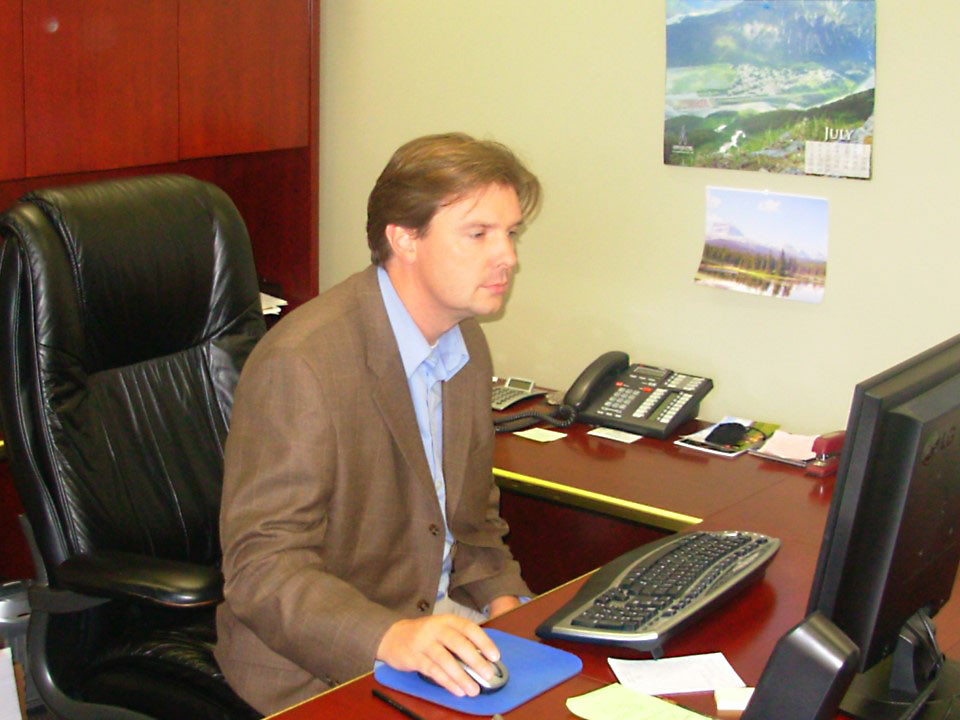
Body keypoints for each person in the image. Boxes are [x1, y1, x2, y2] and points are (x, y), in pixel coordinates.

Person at [215, 132, 541, 715]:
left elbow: (471, 520)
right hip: (318, 662)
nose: (508, 257)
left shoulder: (464, 344)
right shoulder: (305, 363)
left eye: (510, 233)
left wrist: (509, 602)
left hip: (437, 626)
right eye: (479, 234)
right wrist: (389, 638)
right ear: (404, 237)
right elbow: (260, 569)